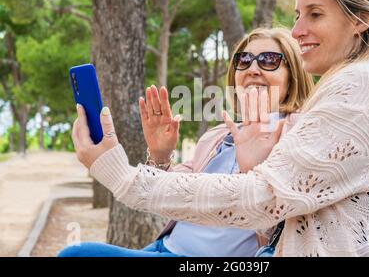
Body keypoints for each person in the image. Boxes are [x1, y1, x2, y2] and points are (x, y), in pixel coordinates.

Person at [69, 0, 369, 256]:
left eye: (315, 14)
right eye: (243, 59)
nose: (298, 31)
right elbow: (260, 196)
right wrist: (160, 157)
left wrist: (122, 176)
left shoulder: (360, 88)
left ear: (360, 20)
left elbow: (262, 201)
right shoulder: (222, 133)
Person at [58, 27, 314, 257]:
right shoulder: (217, 136)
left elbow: (284, 219)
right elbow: (171, 199)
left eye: (269, 60)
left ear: (293, 75)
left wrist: (251, 169)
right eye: (243, 60)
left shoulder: (302, 131)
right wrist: (160, 155)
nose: (253, 68)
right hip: (165, 247)